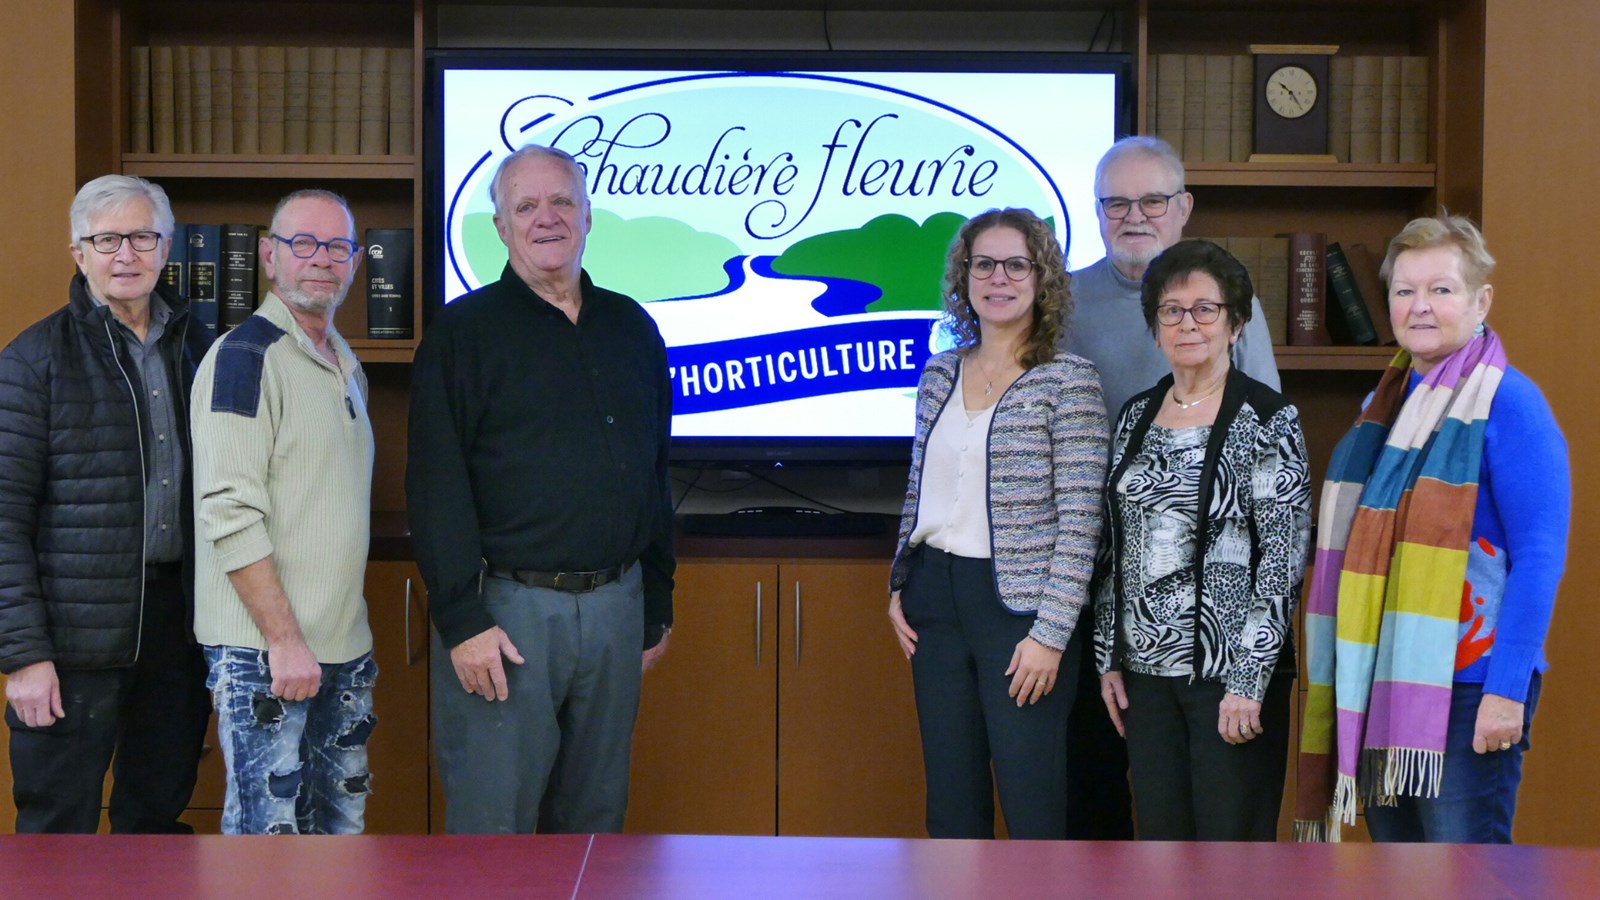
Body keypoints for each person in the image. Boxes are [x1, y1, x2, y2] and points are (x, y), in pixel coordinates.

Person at [408, 144, 675, 834]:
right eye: (525, 205)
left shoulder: (631, 326)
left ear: (588, 215)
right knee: (496, 823)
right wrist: (462, 621)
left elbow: (654, 469)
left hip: (617, 610)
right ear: (500, 227)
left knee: (594, 822)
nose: (546, 218)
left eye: (561, 201)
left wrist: (656, 600)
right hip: (507, 615)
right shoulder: (462, 333)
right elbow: (436, 485)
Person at [1296, 215, 1569, 844]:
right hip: (1391, 682)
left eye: (1441, 289)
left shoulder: (1509, 403)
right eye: (1404, 290)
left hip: (1474, 687)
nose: (1420, 306)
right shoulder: (1382, 407)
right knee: (1398, 876)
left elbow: (1539, 557)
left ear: (1481, 300)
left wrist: (1506, 690)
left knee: (1463, 875)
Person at [1064, 134, 1282, 839]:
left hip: (1222, 640)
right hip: (1103, 610)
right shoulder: (1061, 305)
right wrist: (1108, 652)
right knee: (1114, 811)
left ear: (1183, 207)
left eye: (1152, 199)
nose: (1135, 215)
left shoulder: (1238, 315)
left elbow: (1275, 531)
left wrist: (1249, 671)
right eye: (1116, 202)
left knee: (1222, 833)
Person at [0, 174, 213, 833]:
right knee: (57, 832)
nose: (127, 254)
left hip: (178, 633)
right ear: (78, 251)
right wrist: (24, 658)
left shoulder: (203, 352)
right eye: (107, 239)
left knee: (154, 826)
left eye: (142, 236)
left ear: (168, 245)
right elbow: (3, 522)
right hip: (70, 647)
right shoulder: (33, 361)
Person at [887, 207, 1107, 840]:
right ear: (965, 276)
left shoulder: (1068, 383)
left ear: (1042, 279)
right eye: (984, 264)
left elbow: (1081, 523)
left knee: (1031, 798)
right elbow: (921, 486)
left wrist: (1051, 634)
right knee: (952, 805)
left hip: (1020, 615)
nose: (999, 278)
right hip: (935, 601)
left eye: (1017, 264)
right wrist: (900, 585)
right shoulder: (939, 373)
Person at [1093, 239, 1311, 841]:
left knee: (1229, 854)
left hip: (1229, 679)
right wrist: (1108, 654)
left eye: (1205, 309)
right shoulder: (1136, 415)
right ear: (1155, 326)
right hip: (1144, 679)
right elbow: (1116, 543)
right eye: (1171, 310)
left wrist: (1248, 680)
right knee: (1159, 849)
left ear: (1235, 323)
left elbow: (1283, 560)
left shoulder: (1268, 418)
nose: (1187, 323)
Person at [191, 189, 377, 835]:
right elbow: (227, 511)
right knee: (266, 848)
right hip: (266, 655)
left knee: (338, 838)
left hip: (342, 650)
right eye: (303, 243)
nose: (321, 260)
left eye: (337, 247)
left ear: (355, 262)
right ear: (269, 256)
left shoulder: (342, 360)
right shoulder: (244, 358)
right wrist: (285, 641)